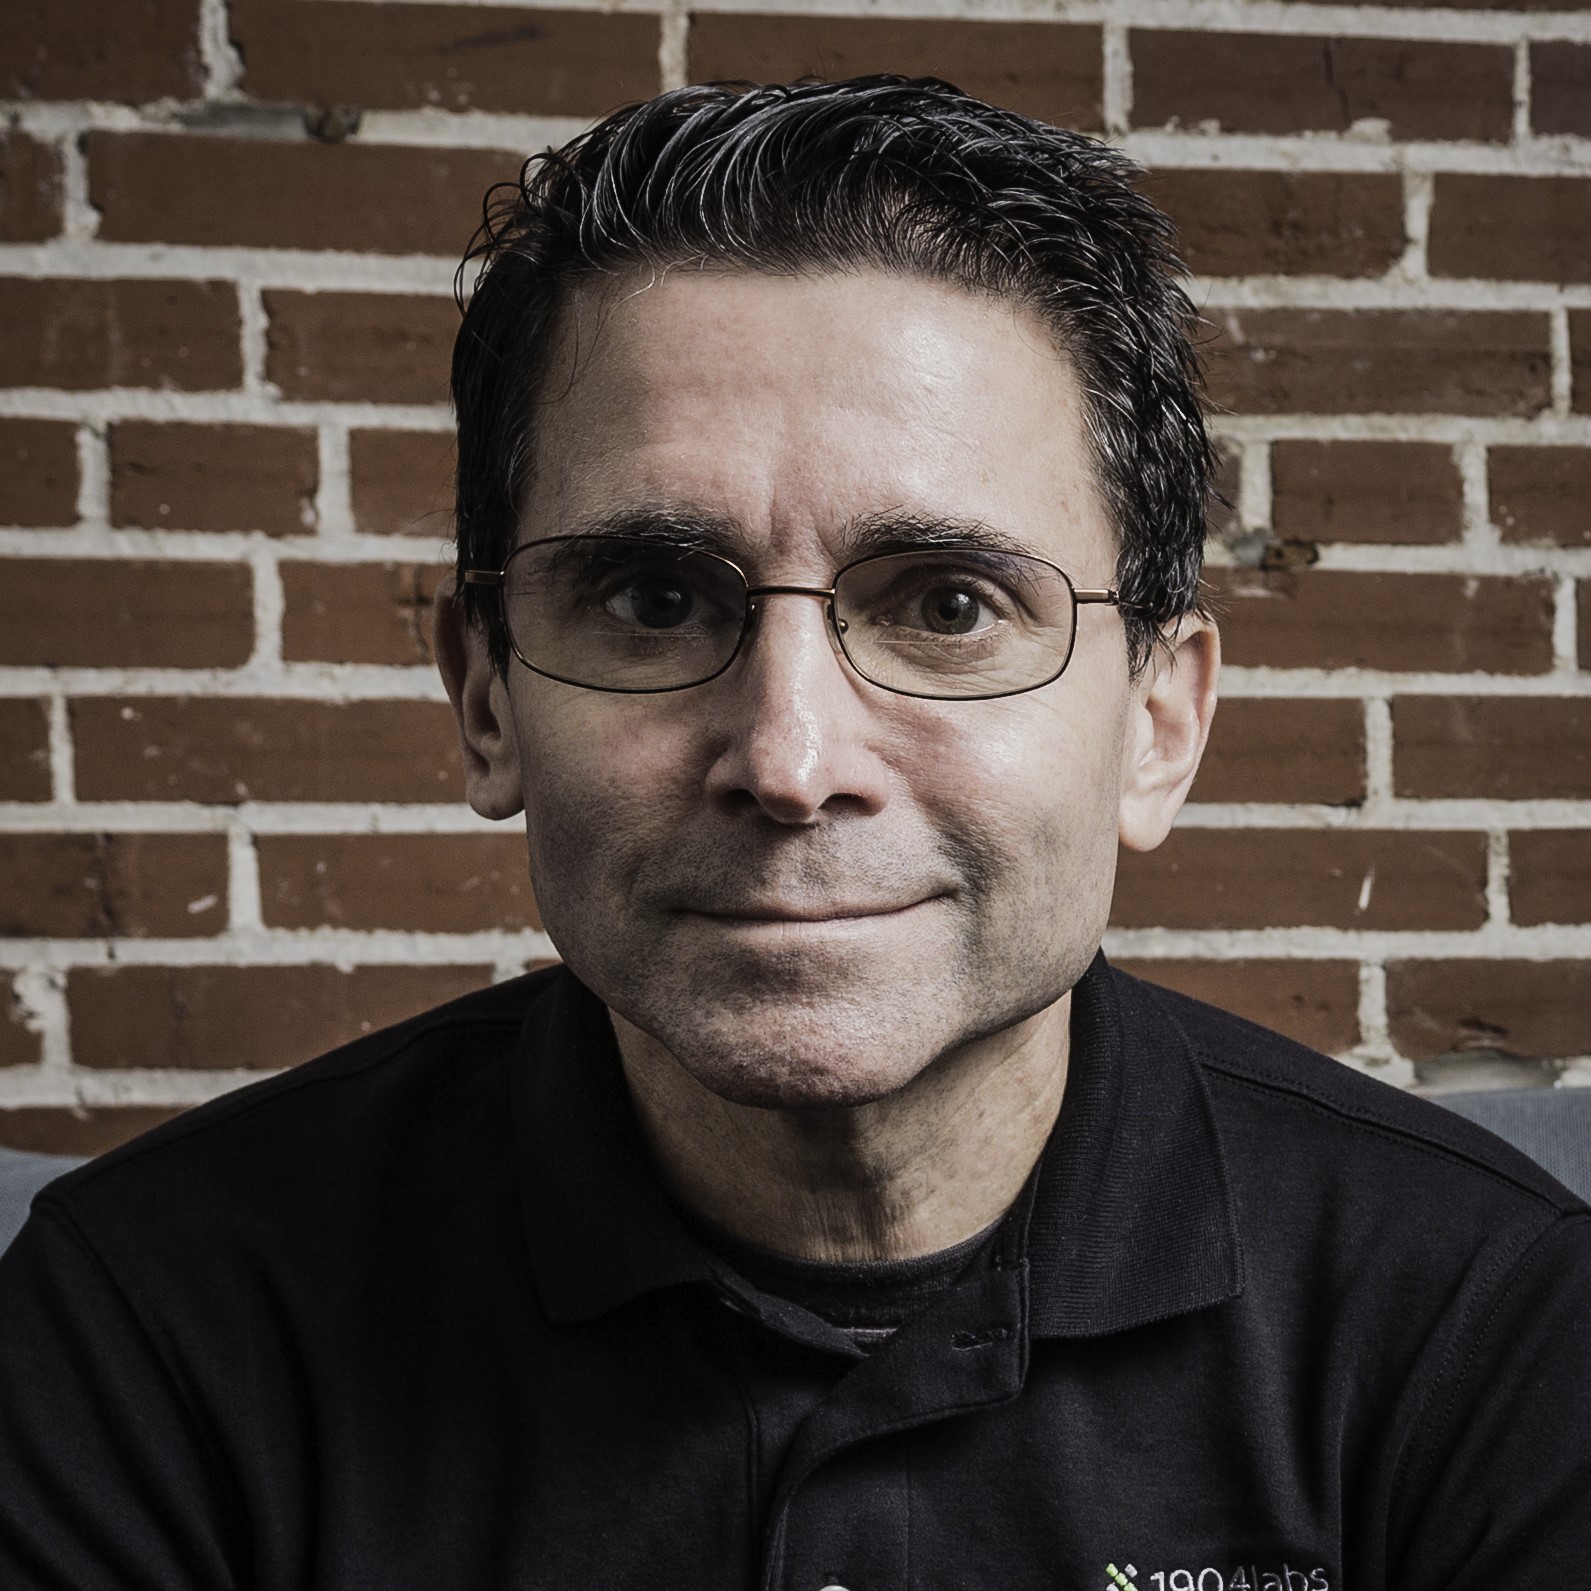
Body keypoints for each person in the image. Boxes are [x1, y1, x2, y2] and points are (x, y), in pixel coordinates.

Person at [1, 77, 1586, 1591]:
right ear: (487, 699)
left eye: (948, 606)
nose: (789, 759)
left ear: (1157, 724)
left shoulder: (1490, 1325)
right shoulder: (148, 1324)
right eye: (653, 599)